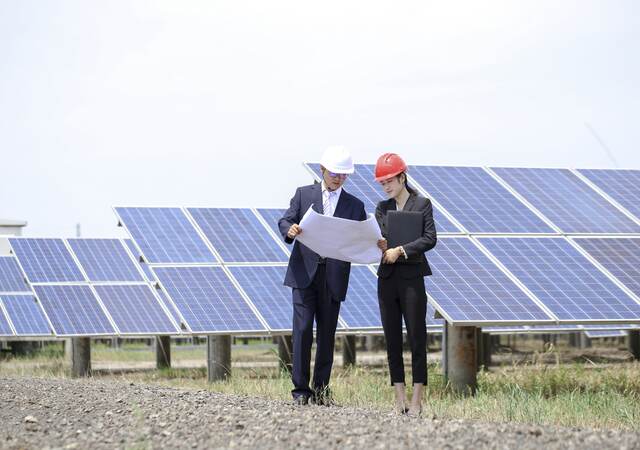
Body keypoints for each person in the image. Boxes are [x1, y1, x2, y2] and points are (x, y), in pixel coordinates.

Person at [279, 145, 367, 405]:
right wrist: (290, 230)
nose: (338, 178)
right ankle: (300, 391)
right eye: (334, 173)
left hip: (334, 277)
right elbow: (284, 220)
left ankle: (320, 390)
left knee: (327, 335)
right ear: (322, 170)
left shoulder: (355, 205)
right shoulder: (303, 195)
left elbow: (361, 237)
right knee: (303, 331)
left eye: (343, 175)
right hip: (304, 275)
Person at [374, 152, 437, 416]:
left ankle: (417, 400)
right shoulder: (382, 208)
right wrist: (379, 244)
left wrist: (400, 250)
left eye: (390, 180)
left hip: (412, 279)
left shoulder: (422, 204)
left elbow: (429, 238)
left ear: (402, 177)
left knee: (416, 337)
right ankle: (399, 397)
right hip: (388, 279)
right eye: (382, 183)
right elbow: (380, 237)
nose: (387, 186)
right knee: (391, 339)